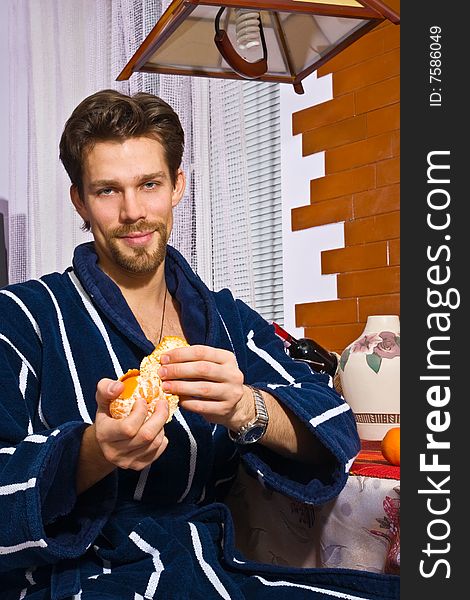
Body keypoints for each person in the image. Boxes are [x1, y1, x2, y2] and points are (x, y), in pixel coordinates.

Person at [0, 89, 398, 599]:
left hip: (206, 564)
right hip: (79, 578)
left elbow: (334, 425)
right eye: (107, 191)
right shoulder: (23, 316)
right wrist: (94, 452)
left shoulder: (224, 317)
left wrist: (247, 408)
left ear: (177, 186)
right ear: (79, 200)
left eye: (149, 185)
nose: (133, 211)